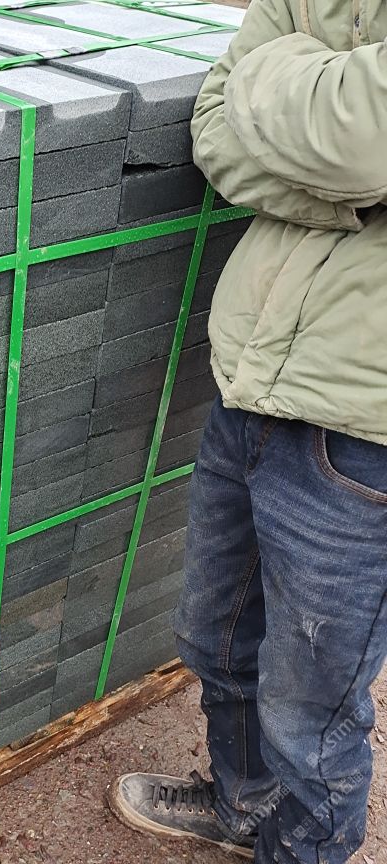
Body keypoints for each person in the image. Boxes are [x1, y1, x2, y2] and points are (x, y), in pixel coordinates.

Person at [108, 0, 387, 861]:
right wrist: (352, 190)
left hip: (364, 431)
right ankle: (240, 804)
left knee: (313, 716)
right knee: (216, 638)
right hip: (251, 383)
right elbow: (217, 137)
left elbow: (360, 138)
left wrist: (296, 105)